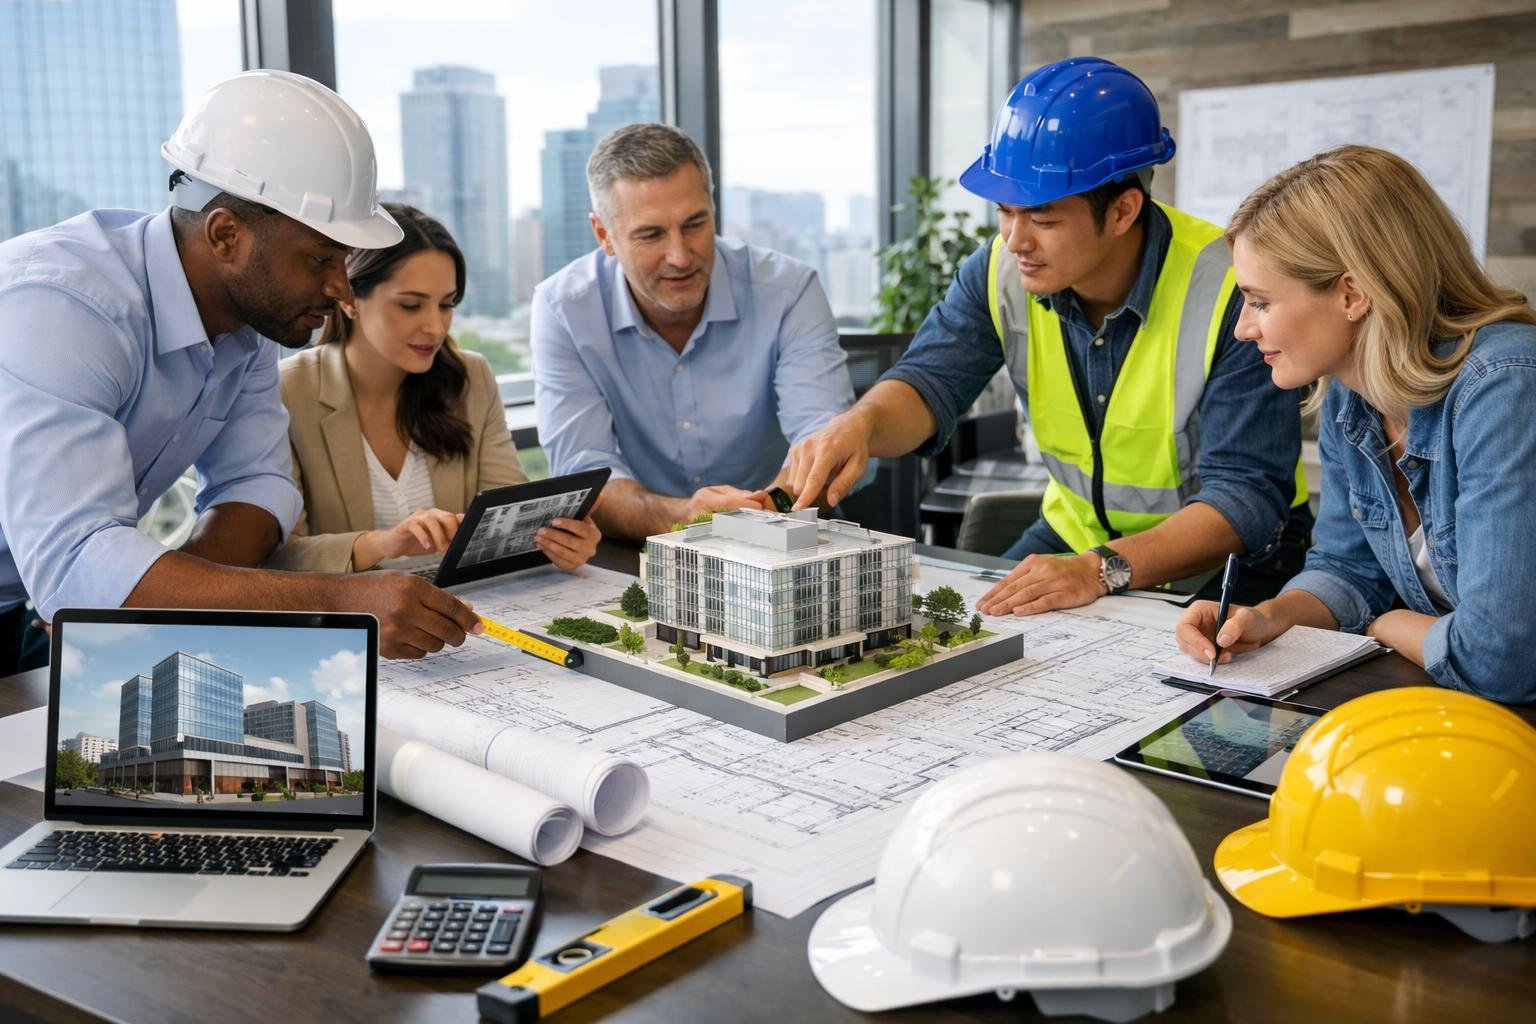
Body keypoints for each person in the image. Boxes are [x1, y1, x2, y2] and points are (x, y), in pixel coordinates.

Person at [786, 57, 1311, 617]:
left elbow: (1246, 498)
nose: (1015, 241)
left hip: (1229, 561)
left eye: (1043, 218)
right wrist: (860, 425)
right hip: (1076, 541)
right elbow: (927, 382)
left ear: (1122, 211)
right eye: (1004, 212)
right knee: (966, 627)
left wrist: (1099, 570)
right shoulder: (998, 272)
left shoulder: (1232, 286)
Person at [0, 70, 482, 670]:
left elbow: (258, 486)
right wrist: (338, 603)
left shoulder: (250, 322)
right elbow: (77, 568)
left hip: (27, 609)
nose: (339, 289)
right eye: (319, 260)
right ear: (226, 235)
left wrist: (168, 591)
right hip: (38, 599)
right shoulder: (63, 306)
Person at [1174, 145, 1536, 704]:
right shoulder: (1351, 395)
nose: (1244, 329)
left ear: (1352, 293)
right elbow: (1346, 568)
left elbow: (1497, 660)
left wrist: (1387, 624)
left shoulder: (1505, 386)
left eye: (1259, 301)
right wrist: (1272, 617)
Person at [531, 122, 857, 542]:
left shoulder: (789, 290)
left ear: (713, 209)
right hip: (640, 550)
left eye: (694, 224)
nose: (680, 256)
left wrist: (758, 518)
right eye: (651, 234)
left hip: (792, 536)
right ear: (604, 235)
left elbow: (824, 443)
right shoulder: (563, 309)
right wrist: (689, 516)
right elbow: (586, 474)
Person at [267, 203, 600, 574]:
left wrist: (557, 540)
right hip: (365, 621)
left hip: (468, 609)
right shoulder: (287, 391)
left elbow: (505, 517)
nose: (436, 327)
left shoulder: (470, 378)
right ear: (348, 299)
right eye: (411, 305)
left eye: (447, 305)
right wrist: (382, 543)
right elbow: (279, 557)